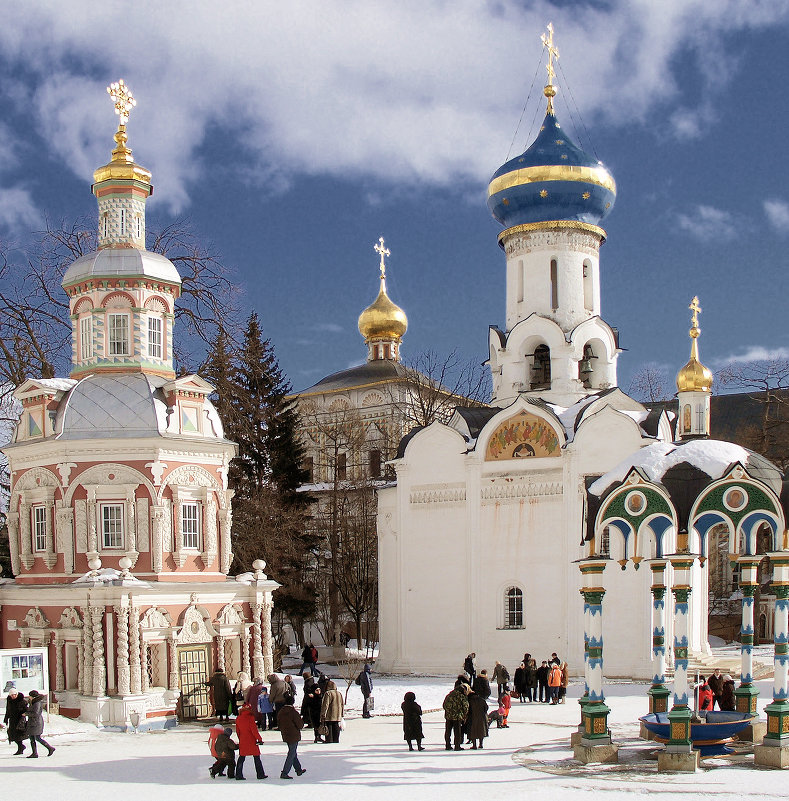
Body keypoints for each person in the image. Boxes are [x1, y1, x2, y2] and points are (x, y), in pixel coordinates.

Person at [234, 702, 267, 780]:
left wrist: (240, 739)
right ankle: (260, 774)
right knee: (256, 757)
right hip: (251, 740)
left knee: (241, 757)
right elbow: (254, 731)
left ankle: (238, 774)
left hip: (243, 740)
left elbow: (237, 731)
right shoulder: (250, 718)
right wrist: (259, 739)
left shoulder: (238, 718)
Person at [277, 697, 307, 779]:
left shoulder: (281, 712)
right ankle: (285, 772)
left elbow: (278, 723)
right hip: (294, 735)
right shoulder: (293, 712)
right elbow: (300, 725)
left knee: (293, 752)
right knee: (291, 753)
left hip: (285, 734)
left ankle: (298, 769)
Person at [25, 690, 55, 758]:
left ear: (33, 696)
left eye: (30, 696)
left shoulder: (37, 703)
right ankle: (34, 753)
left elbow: (36, 713)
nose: (29, 697)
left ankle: (50, 748)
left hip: (36, 722)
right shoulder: (33, 702)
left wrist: (26, 714)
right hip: (33, 722)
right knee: (32, 737)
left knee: (37, 737)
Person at [442, 683, 469, 751]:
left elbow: (444, 705)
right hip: (457, 717)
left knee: (448, 731)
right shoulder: (461, 696)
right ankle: (457, 746)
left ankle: (448, 745)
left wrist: (448, 712)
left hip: (448, 716)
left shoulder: (449, 695)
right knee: (457, 732)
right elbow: (466, 706)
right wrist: (464, 715)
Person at [4, 686, 29, 755]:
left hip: (19, 720)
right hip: (12, 719)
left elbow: (26, 709)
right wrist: (6, 718)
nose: (13, 696)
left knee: (18, 735)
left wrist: (24, 714)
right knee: (12, 734)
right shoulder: (9, 700)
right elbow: (8, 709)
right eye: (11, 695)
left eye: (14, 695)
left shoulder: (22, 700)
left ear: (16, 694)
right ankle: (21, 747)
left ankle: (20, 748)